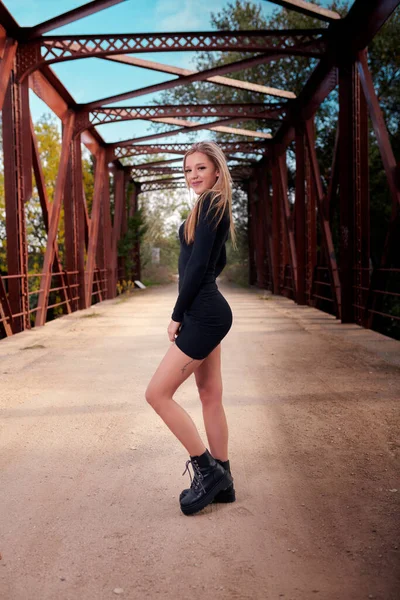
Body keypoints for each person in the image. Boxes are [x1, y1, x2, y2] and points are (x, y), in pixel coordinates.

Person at [145, 140, 237, 516]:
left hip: (203, 314)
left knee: (157, 394)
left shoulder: (213, 203)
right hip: (209, 312)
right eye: (188, 170)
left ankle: (207, 471)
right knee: (210, 395)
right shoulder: (208, 207)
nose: (193, 175)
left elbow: (198, 269)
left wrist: (177, 314)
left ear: (216, 170)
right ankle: (225, 480)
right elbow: (217, 260)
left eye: (200, 167)